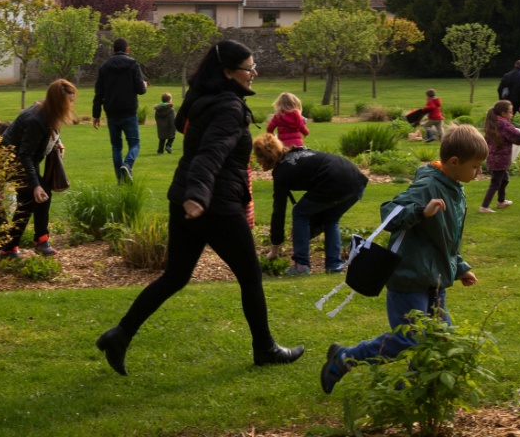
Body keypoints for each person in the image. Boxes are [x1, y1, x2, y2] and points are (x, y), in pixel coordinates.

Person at [96, 41, 303, 375]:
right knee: (250, 277)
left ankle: (119, 335)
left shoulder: (201, 100)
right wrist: (199, 194)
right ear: (227, 72)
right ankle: (265, 349)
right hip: (213, 205)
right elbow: (212, 153)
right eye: (249, 68)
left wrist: (192, 195)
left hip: (185, 199)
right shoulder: (229, 107)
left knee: (175, 276)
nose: (254, 73)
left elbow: (186, 131)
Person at [320, 124, 486, 394]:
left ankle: (410, 391)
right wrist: (421, 211)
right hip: (409, 278)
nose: (479, 173)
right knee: (408, 339)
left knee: (440, 339)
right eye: (476, 167)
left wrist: (460, 268)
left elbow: (445, 239)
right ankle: (344, 359)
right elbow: (389, 213)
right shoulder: (429, 185)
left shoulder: (455, 188)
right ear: (454, 162)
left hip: (434, 280)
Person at [254, 133, 367, 275]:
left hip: (334, 180)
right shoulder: (298, 151)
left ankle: (301, 265)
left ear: (266, 156)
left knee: (299, 212)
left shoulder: (281, 172)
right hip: (356, 179)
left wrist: (274, 249)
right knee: (330, 219)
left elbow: (279, 211)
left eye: (259, 156)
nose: (257, 161)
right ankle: (334, 266)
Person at [0, 79, 77, 259]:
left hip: (24, 159)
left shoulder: (50, 112)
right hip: (12, 160)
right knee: (40, 194)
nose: (71, 104)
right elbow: (24, 155)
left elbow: (49, 133)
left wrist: (57, 141)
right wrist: (35, 185)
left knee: (27, 203)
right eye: (68, 101)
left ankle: (10, 248)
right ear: (58, 101)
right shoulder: (37, 120)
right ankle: (39, 241)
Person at [93, 39, 148, 181]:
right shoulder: (133, 64)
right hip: (129, 111)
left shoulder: (104, 67)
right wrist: (144, 84)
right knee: (134, 143)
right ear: (127, 49)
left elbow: (99, 93)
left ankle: (120, 179)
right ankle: (128, 165)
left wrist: (96, 115)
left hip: (112, 112)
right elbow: (140, 90)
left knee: (117, 147)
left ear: (113, 49)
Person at [479, 100, 520, 214]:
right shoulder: (503, 124)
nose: (512, 114)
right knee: (495, 183)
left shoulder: (494, 123)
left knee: (504, 180)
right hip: (500, 159)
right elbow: (517, 136)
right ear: (503, 113)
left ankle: (501, 202)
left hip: (494, 158)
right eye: (510, 112)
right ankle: (484, 206)